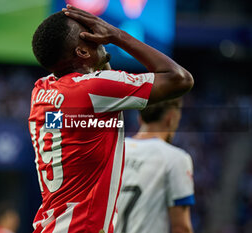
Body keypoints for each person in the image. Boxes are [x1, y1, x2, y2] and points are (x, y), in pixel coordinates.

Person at [29, 4, 194, 233]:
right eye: (90, 33)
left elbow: (89, 103)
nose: (99, 34)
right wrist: (116, 35)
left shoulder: (41, 91)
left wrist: (98, 53)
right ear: (82, 52)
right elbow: (180, 79)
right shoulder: (93, 91)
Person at [115, 98, 195, 233]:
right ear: (171, 118)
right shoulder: (176, 159)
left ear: (140, 118)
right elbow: (181, 227)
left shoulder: (115, 150)